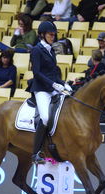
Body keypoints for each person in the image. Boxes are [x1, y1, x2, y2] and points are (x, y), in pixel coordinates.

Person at [30, 21, 72, 164]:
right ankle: (35, 153)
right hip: (41, 89)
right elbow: (37, 72)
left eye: (54, 35)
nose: (53, 37)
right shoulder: (36, 50)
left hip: (53, 88)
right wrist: (53, 84)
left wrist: (63, 83)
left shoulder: (51, 50)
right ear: (42, 35)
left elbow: (53, 72)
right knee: (45, 118)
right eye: (50, 34)